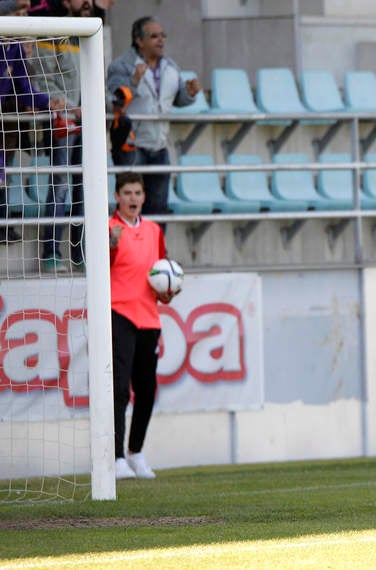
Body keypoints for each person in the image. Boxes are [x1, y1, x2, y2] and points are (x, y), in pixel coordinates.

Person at [109, 171, 177, 479]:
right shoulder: (109, 229)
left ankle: (136, 452)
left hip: (149, 316)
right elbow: (98, 268)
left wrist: (167, 292)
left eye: (138, 192)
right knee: (119, 388)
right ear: (117, 197)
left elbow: (160, 274)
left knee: (147, 389)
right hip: (118, 313)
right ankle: (115, 457)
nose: (133, 198)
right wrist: (110, 246)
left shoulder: (153, 231)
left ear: (144, 197)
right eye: (127, 192)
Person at [106, 16, 201, 219]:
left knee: (158, 209)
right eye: (154, 36)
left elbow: (175, 100)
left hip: (159, 146)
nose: (161, 40)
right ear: (139, 41)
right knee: (130, 209)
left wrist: (189, 94)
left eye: (163, 36)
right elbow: (114, 102)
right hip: (132, 147)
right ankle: (129, 250)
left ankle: (156, 251)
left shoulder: (171, 66)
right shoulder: (122, 66)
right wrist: (133, 81)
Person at [25, 0, 95, 272]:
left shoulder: (93, 31)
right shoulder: (53, 32)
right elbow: (45, 80)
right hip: (65, 120)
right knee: (61, 185)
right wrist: (70, 106)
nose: (87, 3)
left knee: (86, 188)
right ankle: (51, 253)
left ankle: (80, 254)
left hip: (87, 119)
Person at [1, 33, 64, 244]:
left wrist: (46, 102)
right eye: (18, 12)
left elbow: (26, 91)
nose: (23, 16)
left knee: (4, 182)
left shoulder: (15, 49)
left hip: (5, 138)